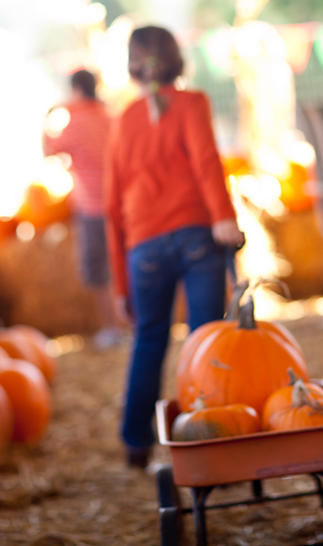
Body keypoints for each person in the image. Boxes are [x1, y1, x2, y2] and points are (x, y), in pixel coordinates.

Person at [105, 25, 243, 468]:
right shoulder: (193, 103)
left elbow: (111, 208)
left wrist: (120, 286)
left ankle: (135, 443)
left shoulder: (122, 122)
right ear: (176, 59)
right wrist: (224, 217)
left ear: (133, 66)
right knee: (204, 339)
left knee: (149, 338)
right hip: (196, 236)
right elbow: (206, 160)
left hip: (142, 247)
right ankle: (206, 440)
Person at [42, 69, 124, 348]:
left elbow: (48, 152)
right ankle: (133, 324)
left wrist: (48, 117)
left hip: (92, 207)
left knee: (98, 268)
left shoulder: (74, 123)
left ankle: (111, 328)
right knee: (122, 264)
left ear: (76, 90)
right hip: (119, 203)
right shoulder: (110, 117)